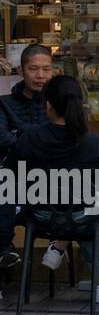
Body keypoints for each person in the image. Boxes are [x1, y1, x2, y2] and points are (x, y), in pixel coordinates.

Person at [2, 75, 99, 304]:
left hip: (41, 218)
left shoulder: (30, 137)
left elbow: (9, 174)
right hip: (84, 217)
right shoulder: (95, 143)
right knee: (94, 205)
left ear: (48, 105)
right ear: (81, 105)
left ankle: (59, 244)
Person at [0, 44, 54, 269]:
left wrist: (21, 135)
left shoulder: (59, 102)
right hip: (16, 177)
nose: (40, 75)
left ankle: (3, 249)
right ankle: (3, 250)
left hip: (55, 180)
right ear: (22, 70)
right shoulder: (5, 103)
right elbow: (3, 139)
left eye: (46, 69)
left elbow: (67, 139)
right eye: (33, 69)